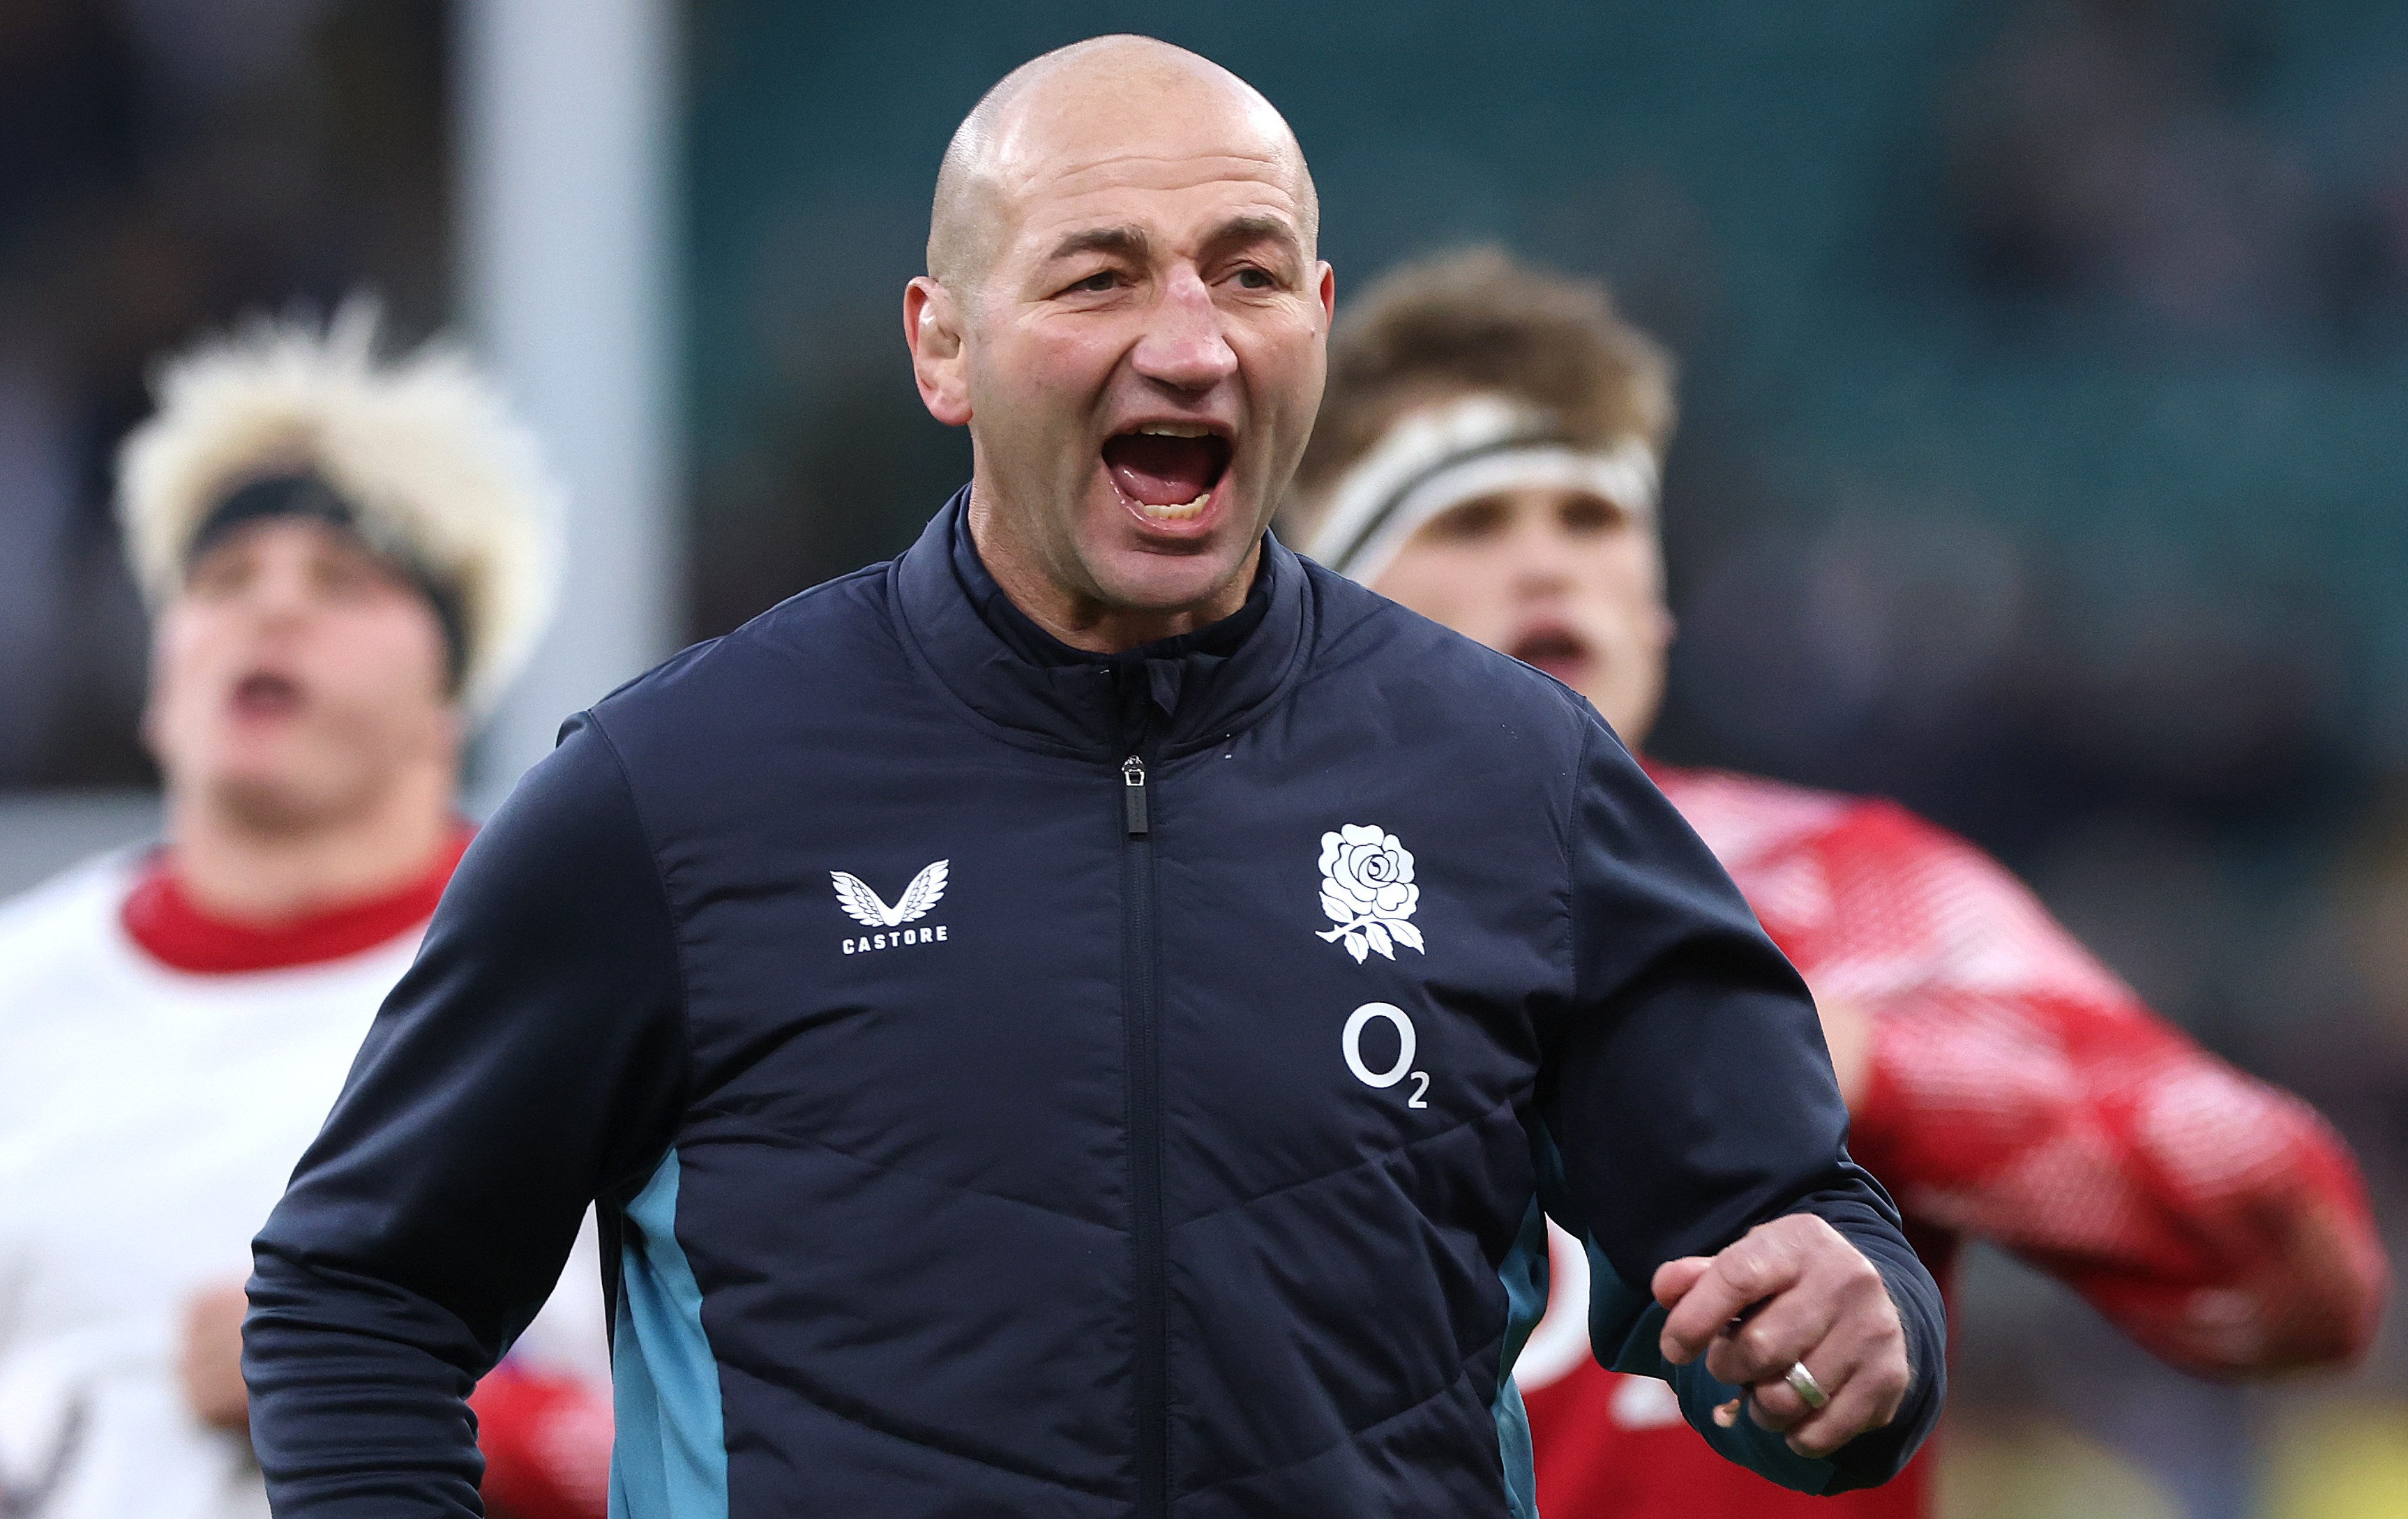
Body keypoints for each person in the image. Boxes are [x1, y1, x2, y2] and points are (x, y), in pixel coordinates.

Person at [243, 36, 1948, 1518]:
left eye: (1250, 271)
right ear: (944, 347)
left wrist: (1853, 1320)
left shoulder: (1517, 776)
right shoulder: (673, 789)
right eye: (1100, 275)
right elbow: (358, 1294)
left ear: (1321, 325)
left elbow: (1781, 1235)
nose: (1193, 343)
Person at [1286, 248, 2390, 1518]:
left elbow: (2305, 1269)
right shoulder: (1224, 906)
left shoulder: (1852, 892)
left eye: (1593, 520)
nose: (1549, 563)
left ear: (1657, 614)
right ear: (1337, 603)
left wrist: (1864, 1062)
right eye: (1472, 518)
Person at [0, 304, 612, 1519]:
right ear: (161, 683)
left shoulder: (594, 975)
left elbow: (718, 1422)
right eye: (222, 578)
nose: (270, 609)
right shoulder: (19, 988)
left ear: (448, 694)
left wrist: (363, 1377)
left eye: (344, 578)